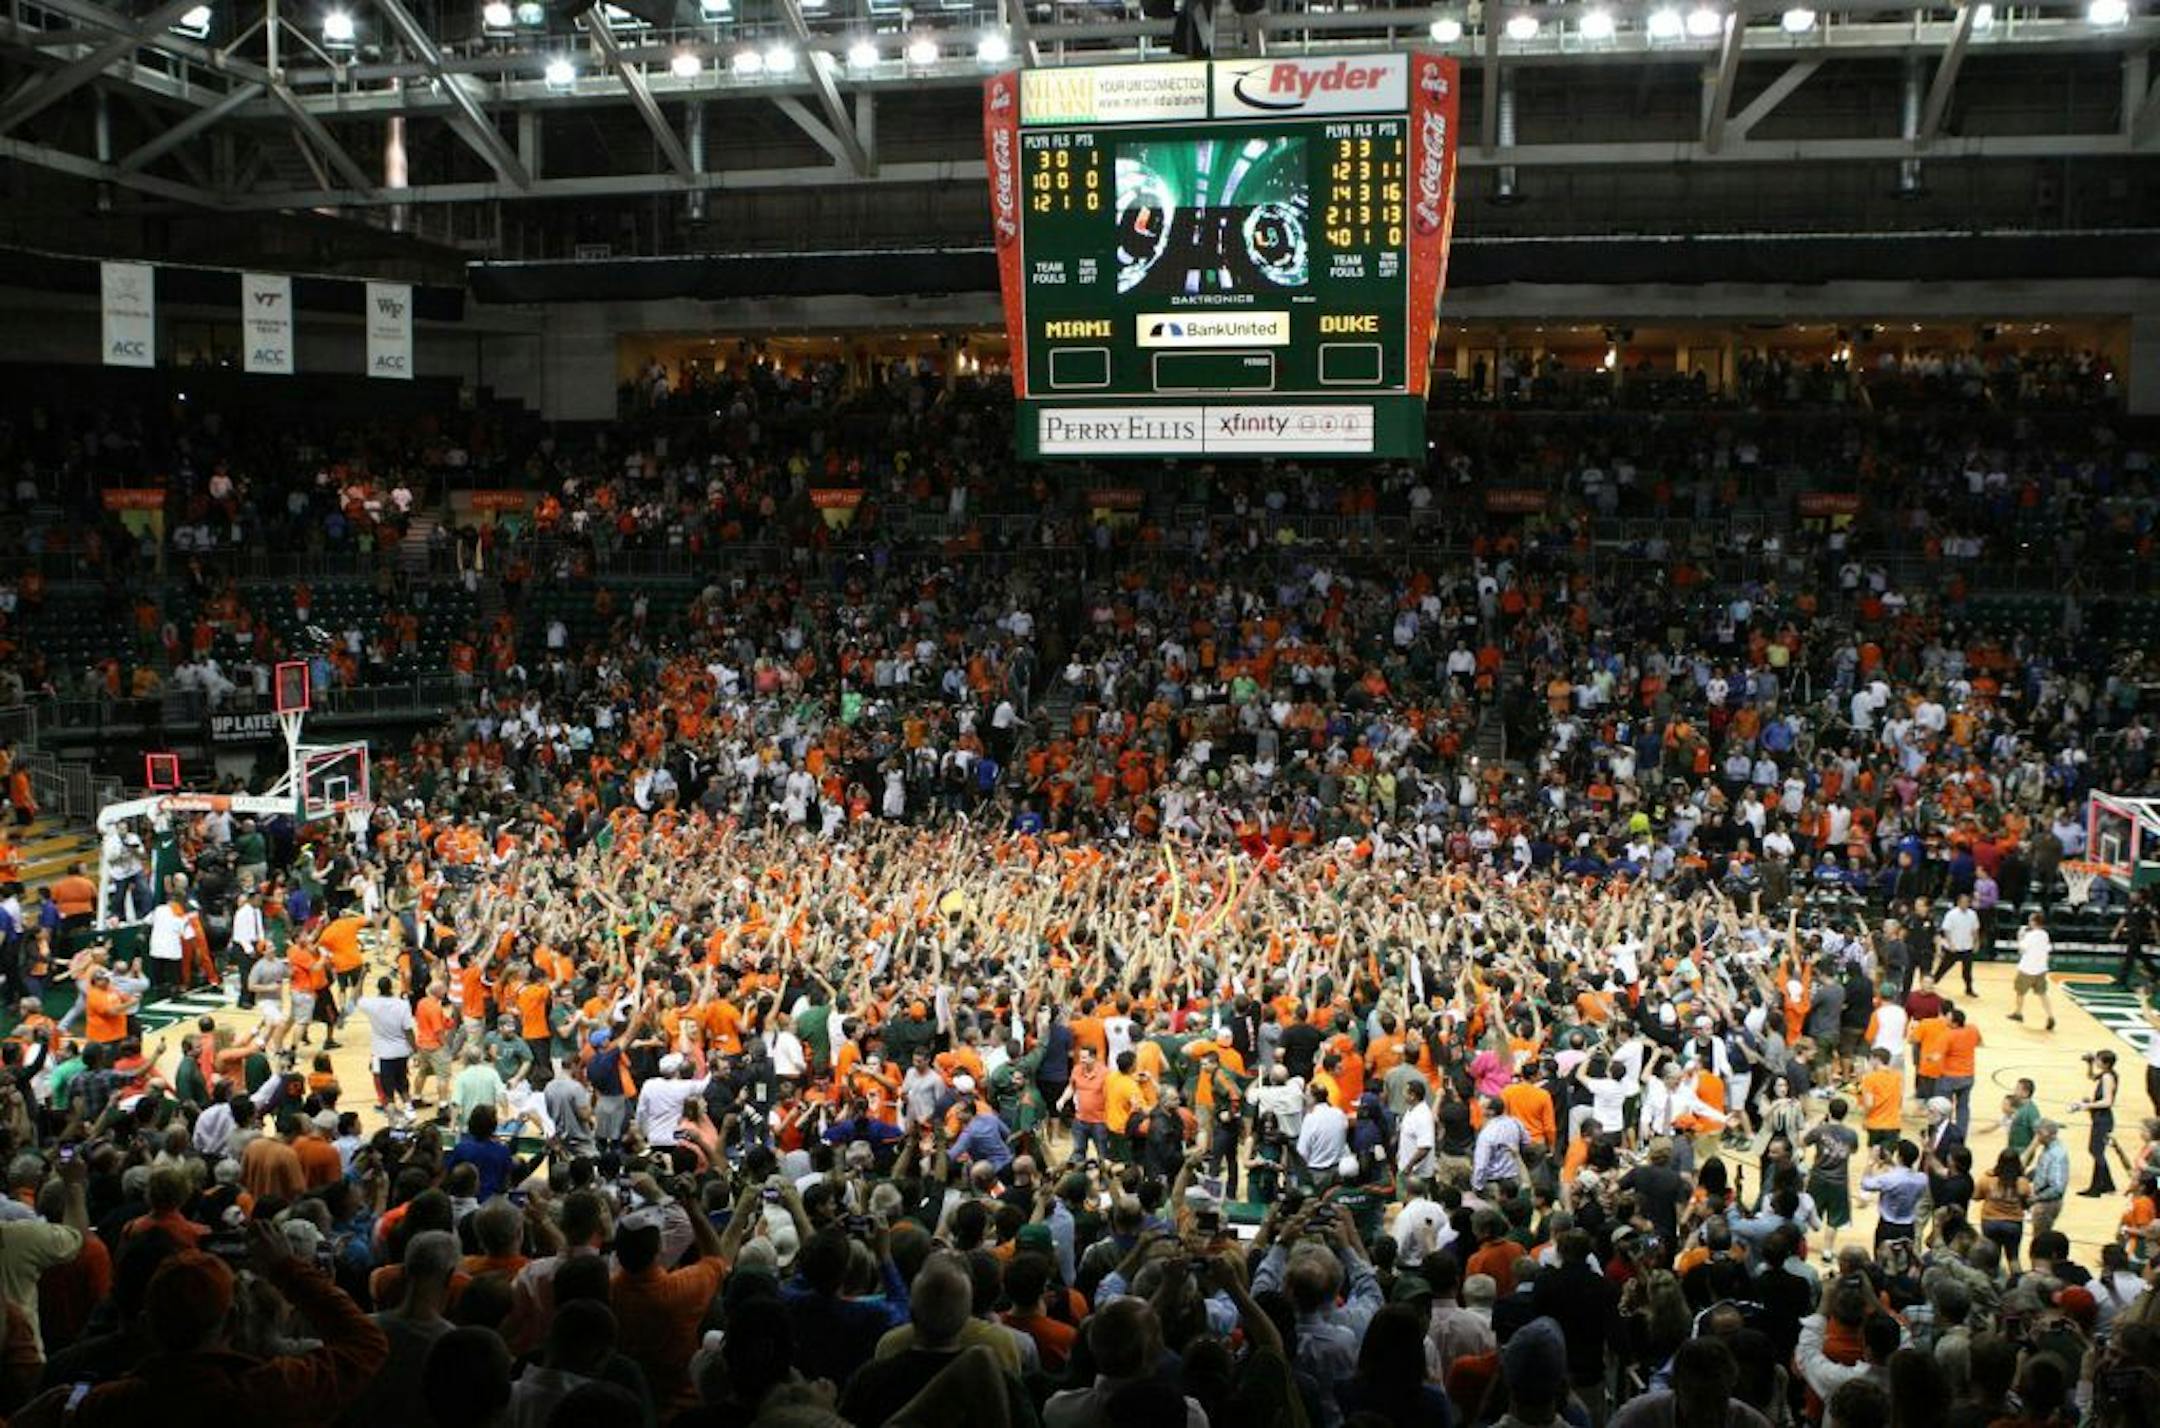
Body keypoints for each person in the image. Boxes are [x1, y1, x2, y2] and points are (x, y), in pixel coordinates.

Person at [2074, 1049, 2121, 1197]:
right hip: (2100, 1117)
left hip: (2103, 1119)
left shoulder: (2108, 1077)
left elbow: (2107, 1101)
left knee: (2096, 1151)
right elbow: (2091, 1076)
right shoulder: (2107, 1074)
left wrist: (2087, 1105)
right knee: (2096, 1151)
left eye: (2098, 1060)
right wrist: (2089, 1065)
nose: (2096, 1061)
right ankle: (2107, 1185)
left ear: (2105, 1063)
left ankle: (2097, 1188)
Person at [2008, 913, 2055, 1031]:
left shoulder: (2030, 936)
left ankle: (2018, 1013)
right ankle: (2050, 1016)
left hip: (2027, 969)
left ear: (2034, 922)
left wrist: (2020, 936)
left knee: (2020, 992)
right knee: (2042, 994)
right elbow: (2048, 949)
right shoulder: (2045, 934)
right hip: (2041, 969)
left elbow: (2021, 949)